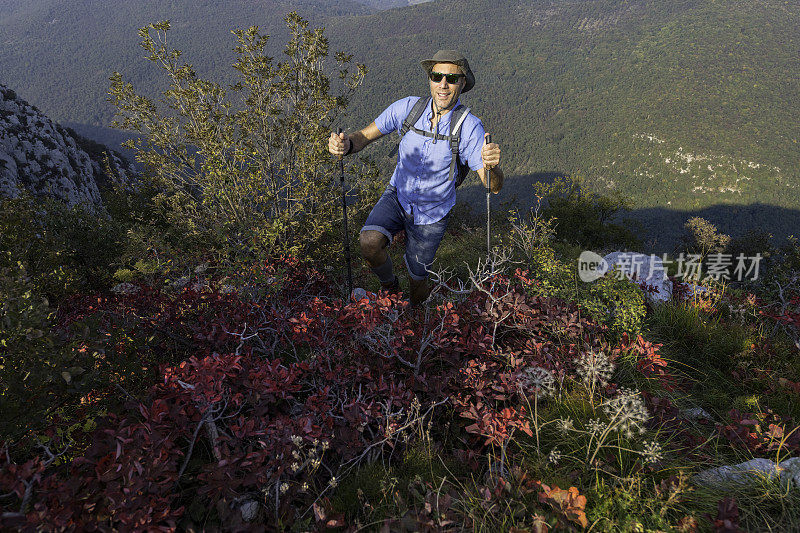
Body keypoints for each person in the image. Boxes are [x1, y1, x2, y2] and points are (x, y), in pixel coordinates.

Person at [328, 50, 504, 305]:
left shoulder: (469, 127)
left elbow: (493, 186)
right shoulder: (408, 108)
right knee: (369, 243)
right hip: (398, 195)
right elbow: (363, 137)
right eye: (437, 76)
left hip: (433, 212)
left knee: (418, 276)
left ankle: (414, 314)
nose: (443, 84)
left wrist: (492, 167)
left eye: (451, 79)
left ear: (462, 83)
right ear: (430, 79)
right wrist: (345, 146)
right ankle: (390, 287)